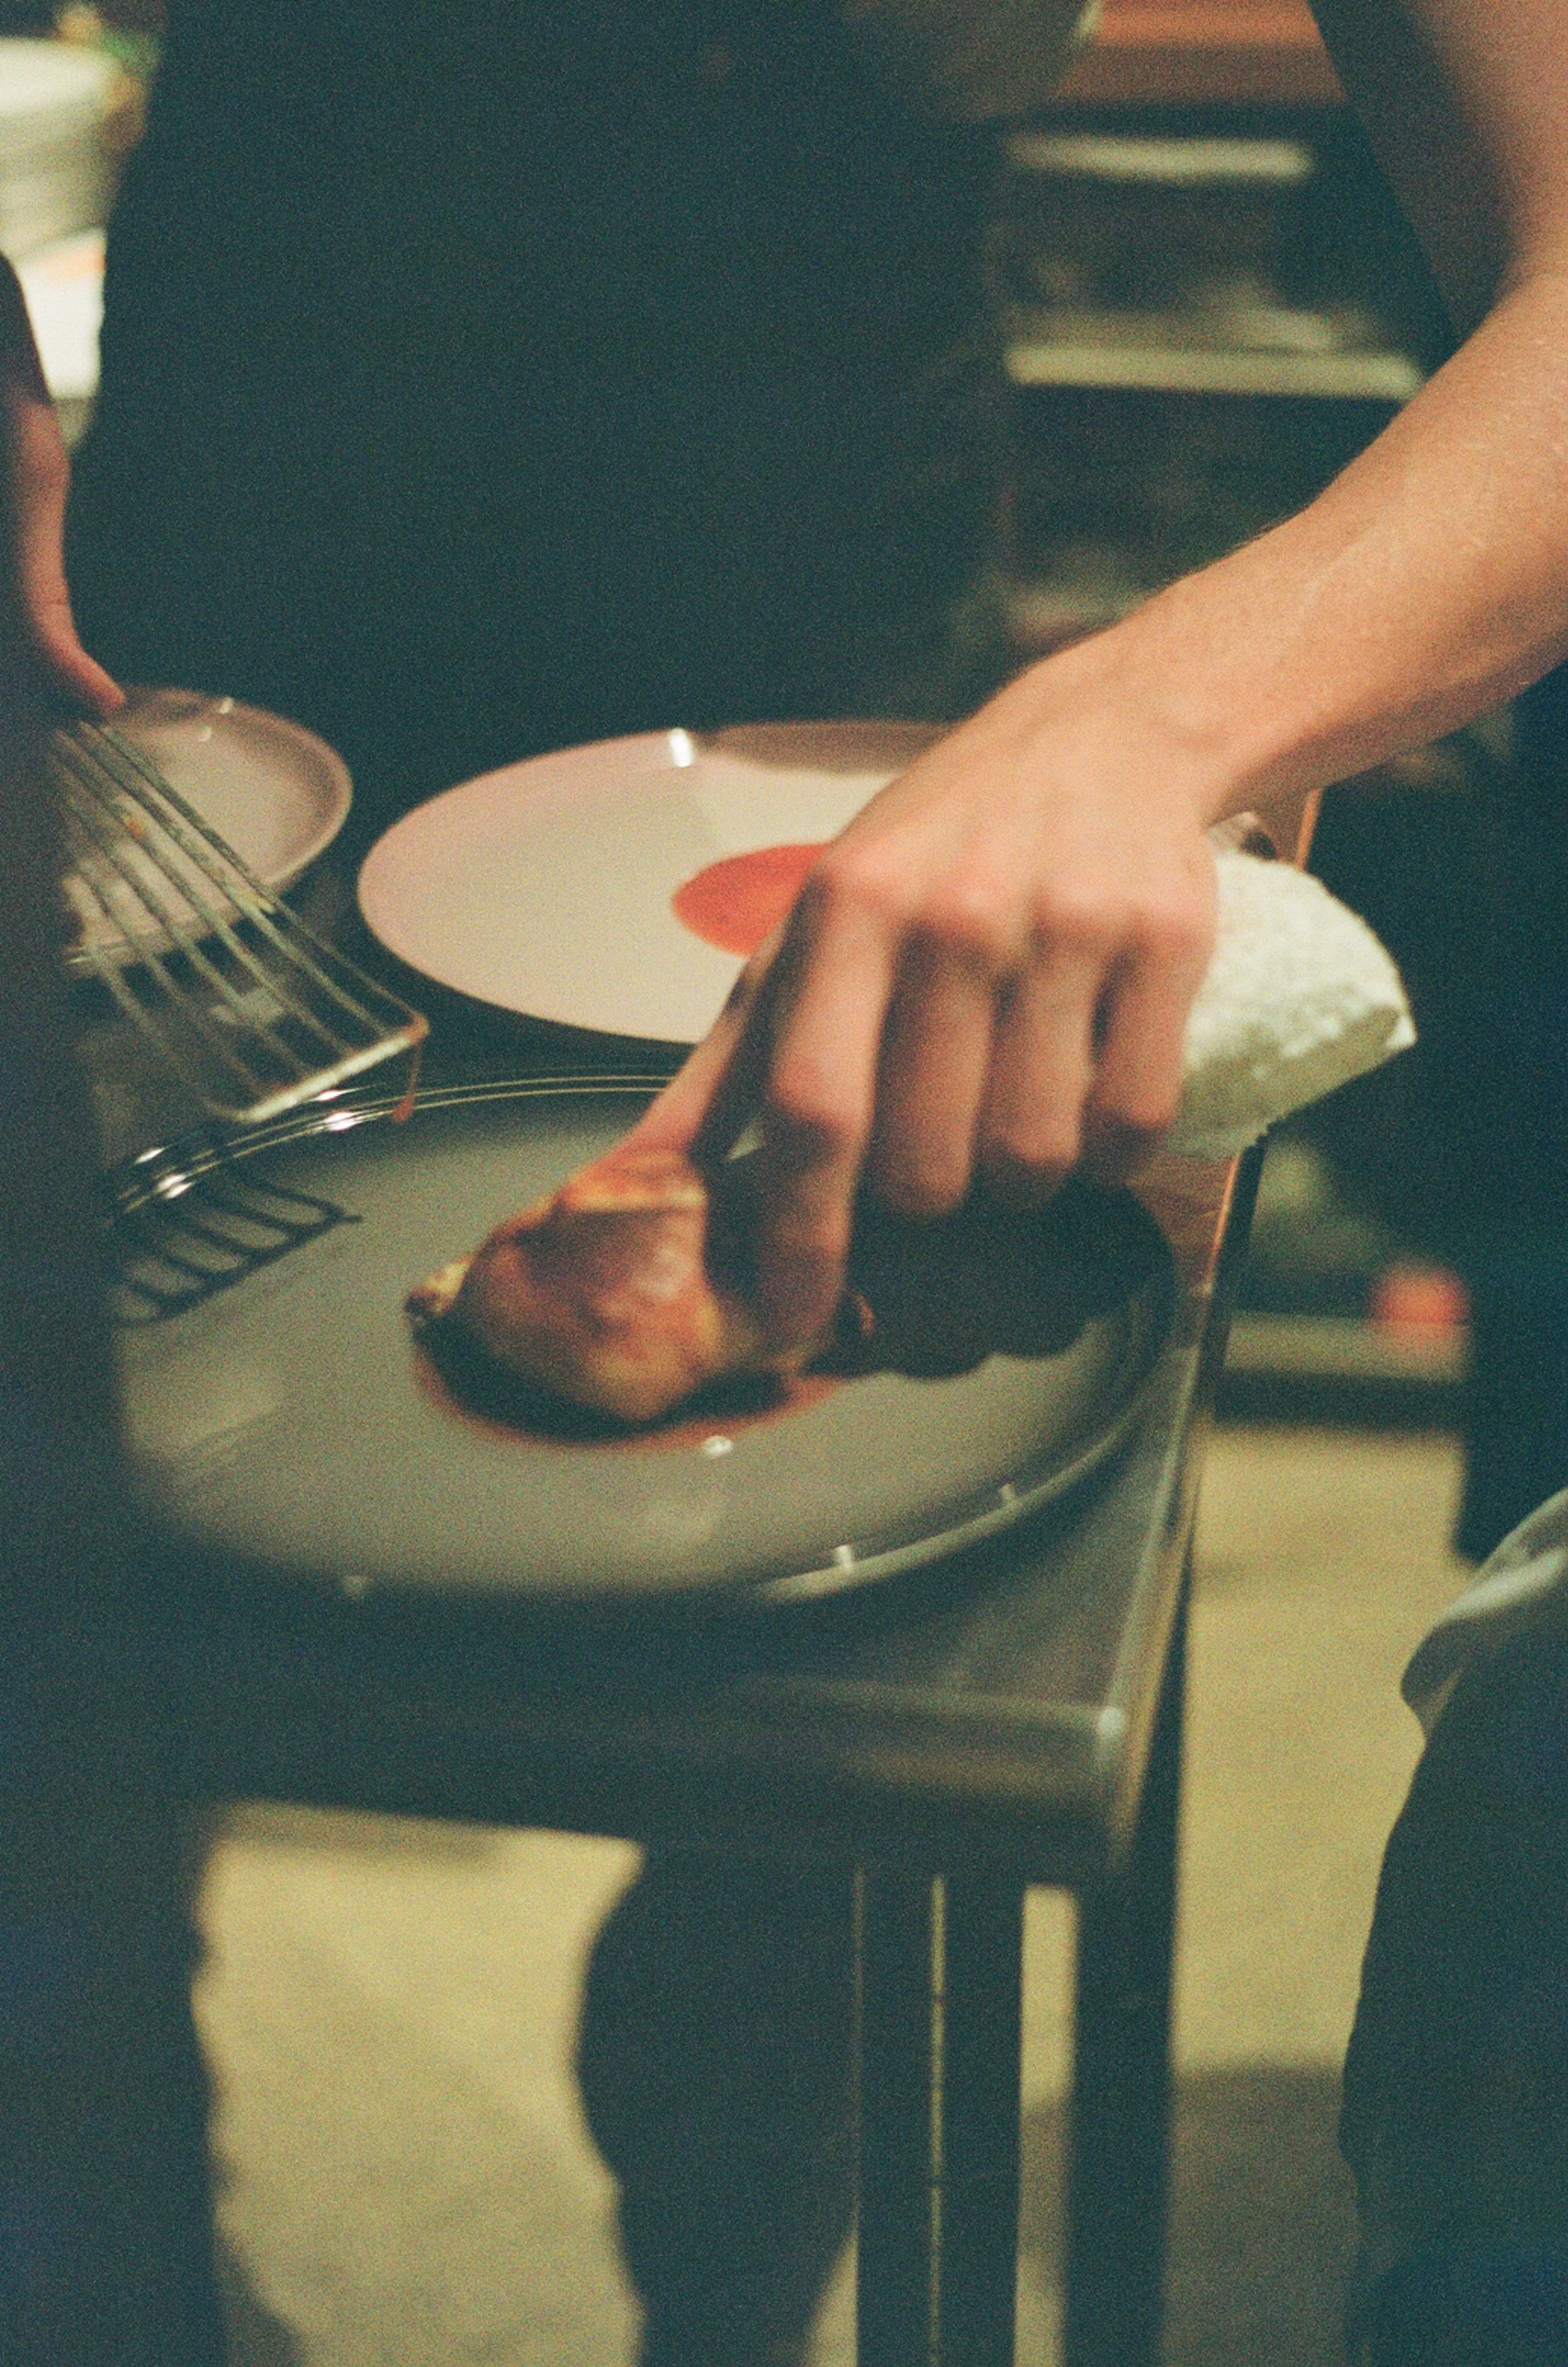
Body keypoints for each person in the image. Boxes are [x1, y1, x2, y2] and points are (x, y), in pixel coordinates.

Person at [3, 0, 1568, 2359]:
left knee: (818, 1715)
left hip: (811, 542)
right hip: (232, 525)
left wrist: (1142, 709)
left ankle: (720, 2317)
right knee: (100, 1589)